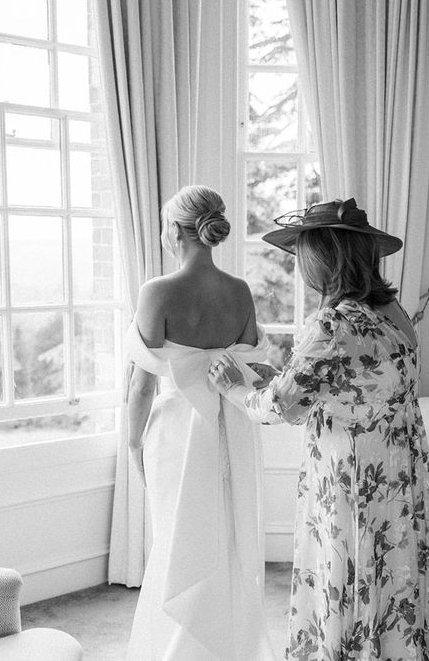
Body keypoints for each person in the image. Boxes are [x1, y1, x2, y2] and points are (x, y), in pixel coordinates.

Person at [209, 198, 429, 660]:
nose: (300, 268)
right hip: (397, 474)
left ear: (323, 259)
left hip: (350, 479)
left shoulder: (333, 324)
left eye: (304, 256)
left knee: (346, 576)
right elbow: (354, 382)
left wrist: (234, 386)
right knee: (390, 578)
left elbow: (278, 406)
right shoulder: (394, 312)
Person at [125, 185, 275, 660]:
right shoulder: (240, 291)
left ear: (174, 230)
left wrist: (133, 444)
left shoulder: (158, 292)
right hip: (234, 427)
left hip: (177, 434)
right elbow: (249, 373)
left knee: (179, 539)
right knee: (228, 537)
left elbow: (142, 386)